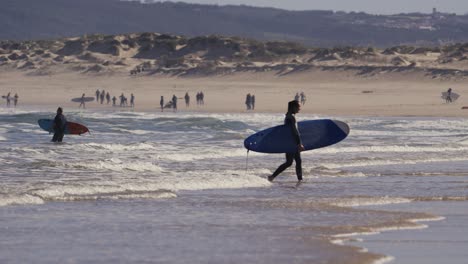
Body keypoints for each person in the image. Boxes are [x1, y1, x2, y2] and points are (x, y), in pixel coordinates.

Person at [268, 100, 304, 183]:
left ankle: (300, 180)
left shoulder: (288, 116)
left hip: (290, 141)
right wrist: (299, 144)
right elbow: (295, 131)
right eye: (298, 106)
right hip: (292, 142)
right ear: (293, 107)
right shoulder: (291, 117)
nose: (300, 108)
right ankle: (272, 176)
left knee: (296, 161)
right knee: (290, 162)